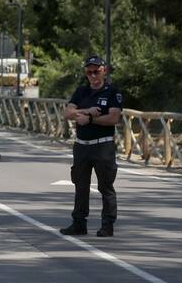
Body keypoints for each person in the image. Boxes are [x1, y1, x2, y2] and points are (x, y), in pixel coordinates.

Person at [60, 55, 122, 238]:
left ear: (104, 71)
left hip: (102, 146)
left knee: (105, 186)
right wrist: (86, 111)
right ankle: (79, 223)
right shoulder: (81, 92)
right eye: (89, 72)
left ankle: (107, 224)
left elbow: (114, 117)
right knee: (80, 186)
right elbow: (67, 112)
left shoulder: (112, 92)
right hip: (81, 146)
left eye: (96, 71)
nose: (93, 75)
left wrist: (91, 119)